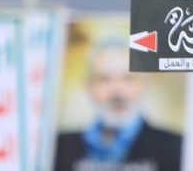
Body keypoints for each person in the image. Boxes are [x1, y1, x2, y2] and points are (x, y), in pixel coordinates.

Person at [53, 42, 182, 171]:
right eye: (104, 79)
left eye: (128, 78)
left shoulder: (176, 148)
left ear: (144, 84)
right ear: (88, 86)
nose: (117, 90)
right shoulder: (57, 147)